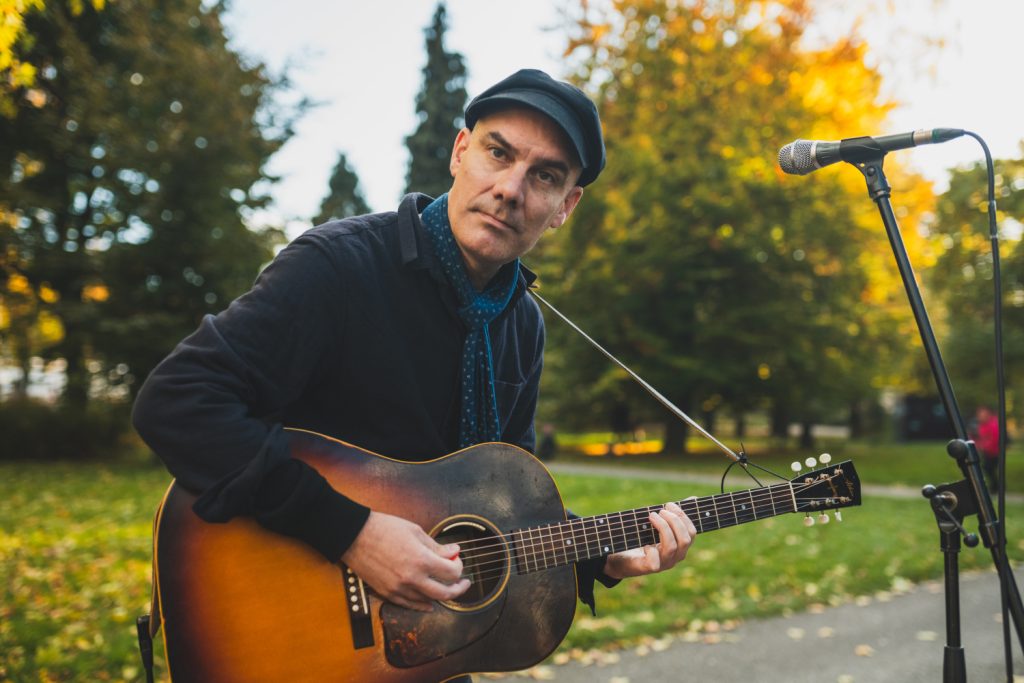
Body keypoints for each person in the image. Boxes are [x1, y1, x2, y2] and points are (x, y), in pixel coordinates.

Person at [132, 68, 695, 652]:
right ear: (460, 151)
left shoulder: (522, 324)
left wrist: (597, 554)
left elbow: (505, 502)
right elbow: (177, 401)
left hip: (424, 646)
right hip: (285, 633)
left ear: (565, 206)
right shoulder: (338, 267)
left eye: (545, 176)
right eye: (498, 153)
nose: (510, 189)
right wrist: (351, 532)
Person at [973, 405, 1000, 491]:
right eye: (979, 415)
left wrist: (983, 446)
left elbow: (994, 440)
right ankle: (995, 486)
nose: (980, 417)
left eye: (982, 415)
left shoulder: (993, 424)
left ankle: (996, 486)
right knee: (987, 468)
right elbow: (982, 438)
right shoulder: (982, 425)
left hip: (994, 452)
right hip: (987, 452)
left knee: (988, 468)